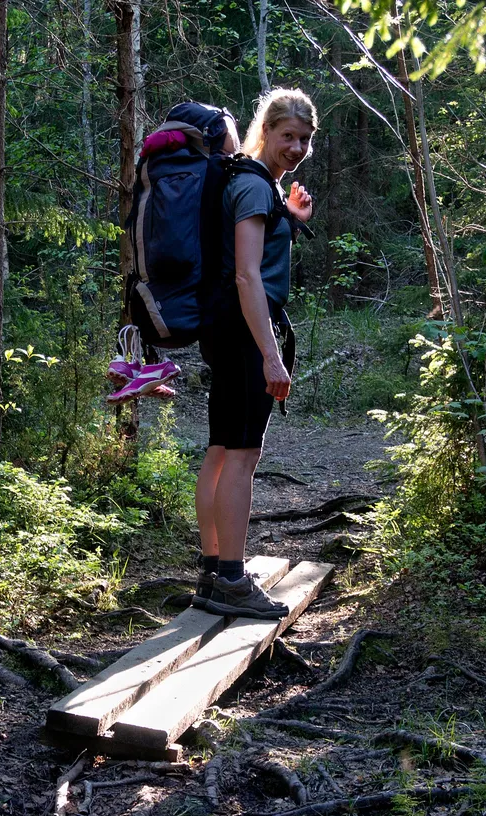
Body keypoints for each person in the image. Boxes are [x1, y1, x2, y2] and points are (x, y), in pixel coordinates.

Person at [193, 88, 317, 619]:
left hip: (228, 326)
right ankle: (231, 580)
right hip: (245, 329)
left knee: (222, 449)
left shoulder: (253, 181)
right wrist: (270, 353)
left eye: (305, 139)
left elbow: (252, 255)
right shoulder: (251, 185)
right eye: (288, 136)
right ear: (264, 131)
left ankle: (212, 570)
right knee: (242, 455)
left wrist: (289, 218)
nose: (296, 147)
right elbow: (247, 274)